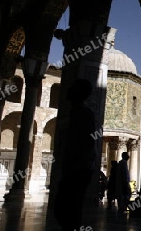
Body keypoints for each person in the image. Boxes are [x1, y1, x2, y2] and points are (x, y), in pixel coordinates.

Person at [54, 78, 98, 231]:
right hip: (74, 168)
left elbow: (87, 143)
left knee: (69, 208)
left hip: (78, 169)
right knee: (66, 209)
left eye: (72, 87)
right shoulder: (74, 112)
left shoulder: (84, 114)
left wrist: (80, 166)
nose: (67, 89)